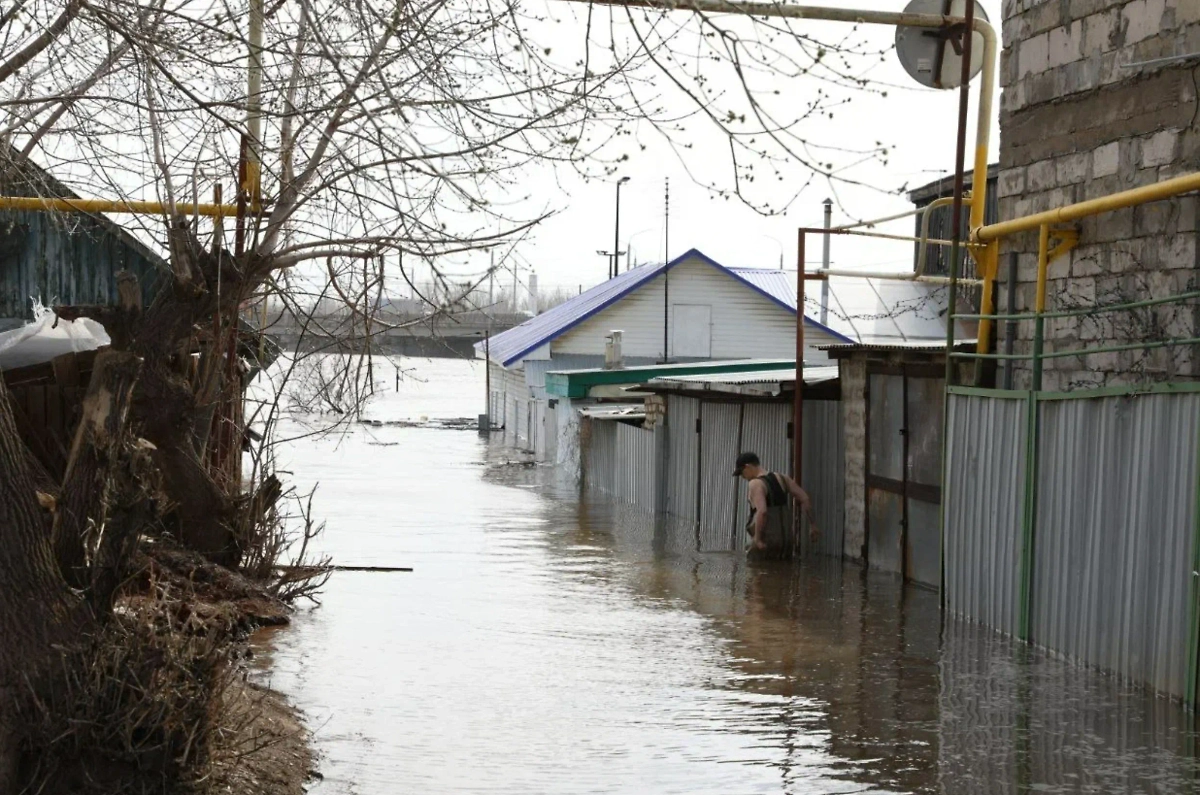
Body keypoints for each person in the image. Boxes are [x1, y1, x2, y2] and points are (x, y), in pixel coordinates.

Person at [733, 452, 820, 560]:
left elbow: (762, 511)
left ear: (747, 467)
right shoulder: (783, 478)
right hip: (786, 542)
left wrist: (758, 539)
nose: (743, 477)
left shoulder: (755, 484)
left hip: (766, 541)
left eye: (742, 473)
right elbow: (804, 498)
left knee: (757, 574)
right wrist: (813, 525)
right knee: (784, 573)